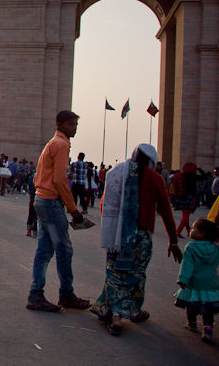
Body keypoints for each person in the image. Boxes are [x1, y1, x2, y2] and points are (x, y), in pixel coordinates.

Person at [91, 143, 181, 335]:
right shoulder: (155, 178)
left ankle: (115, 314)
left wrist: (111, 227)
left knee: (115, 273)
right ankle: (130, 311)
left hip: (118, 234)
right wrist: (173, 241)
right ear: (152, 160)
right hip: (142, 235)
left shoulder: (118, 173)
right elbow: (166, 211)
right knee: (135, 273)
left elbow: (105, 203)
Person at [26, 110, 90, 312]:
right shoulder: (62, 145)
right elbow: (60, 180)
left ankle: (36, 295)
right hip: (52, 202)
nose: (75, 128)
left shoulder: (52, 143)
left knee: (44, 251)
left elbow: (39, 176)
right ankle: (66, 294)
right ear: (60, 125)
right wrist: (73, 210)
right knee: (64, 249)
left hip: (42, 199)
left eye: (76, 125)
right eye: (71, 125)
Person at [174, 217, 219, 343]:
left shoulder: (191, 247)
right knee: (208, 309)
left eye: (194, 228)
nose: (191, 230)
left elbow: (187, 264)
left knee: (192, 304)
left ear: (202, 233)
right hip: (211, 283)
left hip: (194, 282)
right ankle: (208, 329)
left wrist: (183, 279)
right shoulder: (215, 249)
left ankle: (192, 324)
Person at [170, 162, 200, 237]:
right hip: (190, 197)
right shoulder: (193, 176)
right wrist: (198, 168)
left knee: (185, 215)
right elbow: (205, 177)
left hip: (181, 197)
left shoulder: (180, 175)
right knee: (186, 215)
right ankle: (178, 231)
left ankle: (189, 231)